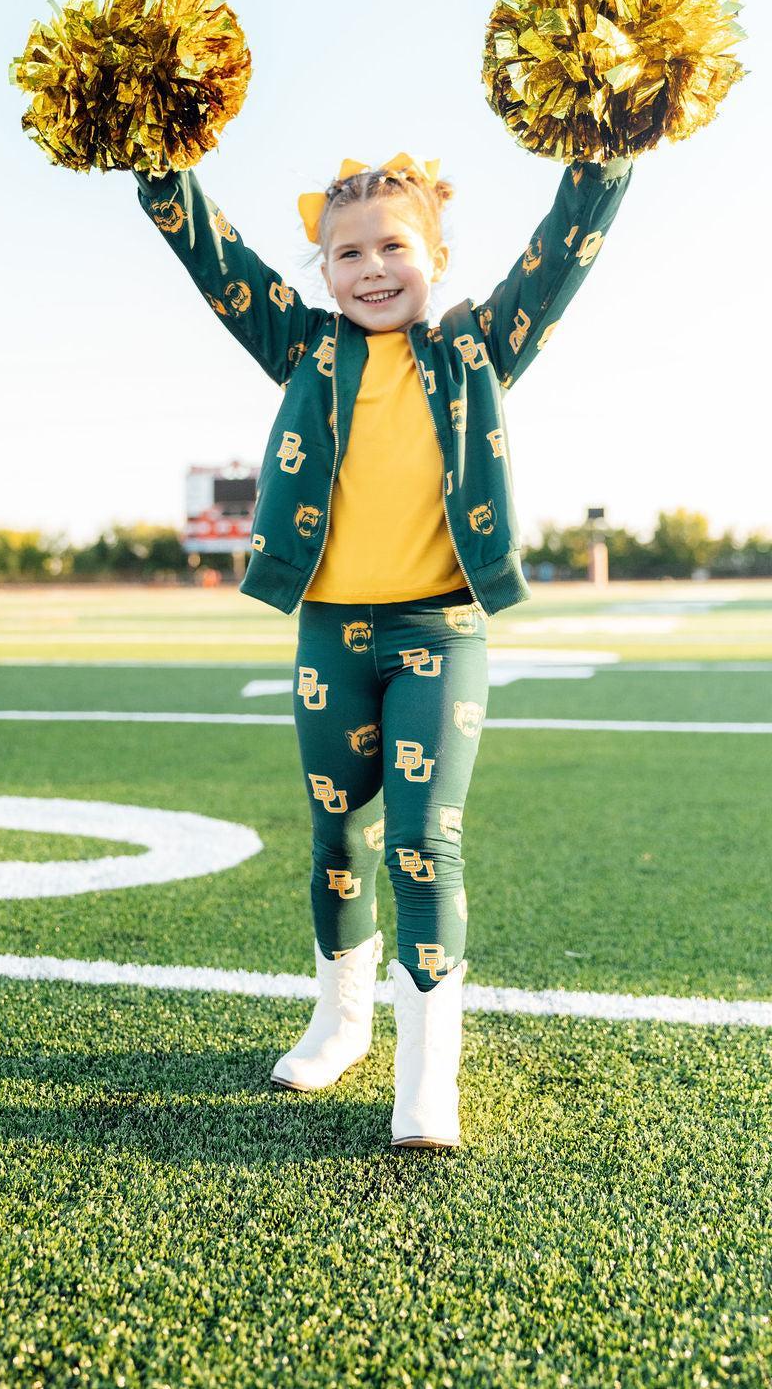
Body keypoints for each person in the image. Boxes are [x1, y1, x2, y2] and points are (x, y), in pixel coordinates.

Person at [133, 145, 633, 1148]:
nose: (370, 266)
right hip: (330, 630)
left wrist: (602, 157)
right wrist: (157, 169)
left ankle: (425, 1075)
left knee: (423, 840)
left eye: (393, 245)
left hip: (439, 628)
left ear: (435, 257)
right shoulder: (305, 350)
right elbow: (215, 262)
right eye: (345, 251)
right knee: (336, 837)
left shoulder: (475, 349)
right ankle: (340, 1019)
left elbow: (558, 257)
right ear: (321, 271)